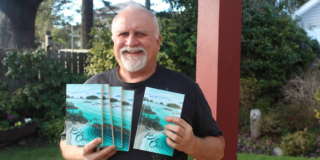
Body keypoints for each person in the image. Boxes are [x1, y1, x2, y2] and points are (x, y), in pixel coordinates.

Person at [60, 4, 225, 160]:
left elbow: (218, 150)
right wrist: (81, 154)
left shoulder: (185, 87)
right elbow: (66, 143)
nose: (131, 42)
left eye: (141, 33)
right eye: (123, 34)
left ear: (158, 42)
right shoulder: (93, 86)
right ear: (114, 42)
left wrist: (192, 144)